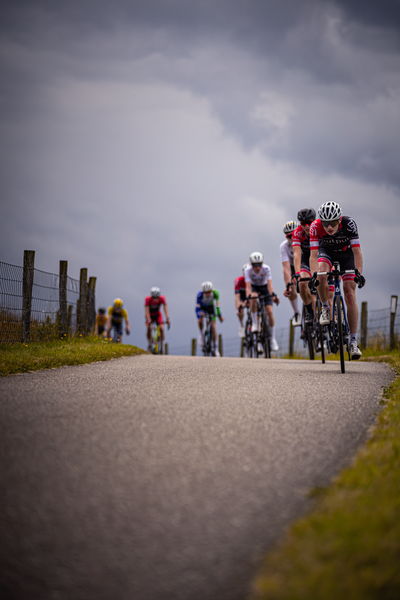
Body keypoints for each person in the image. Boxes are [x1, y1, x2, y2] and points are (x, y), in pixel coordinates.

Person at [309, 201, 365, 359]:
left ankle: (353, 342)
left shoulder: (349, 224)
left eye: (332, 223)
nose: (329, 228)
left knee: (349, 293)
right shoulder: (315, 226)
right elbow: (313, 255)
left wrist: (358, 273)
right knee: (321, 275)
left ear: (339, 220)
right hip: (326, 252)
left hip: (347, 255)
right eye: (325, 224)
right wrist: (314, 274)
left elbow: (357, 253)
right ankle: (326, 308)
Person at [244, 252, 280, 352]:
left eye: (259, 264)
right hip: (254, 287)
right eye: (255, 265)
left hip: (264, 288)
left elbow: (269, 284)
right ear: (251, 265)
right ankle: (255, 323)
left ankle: (272, 338)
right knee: (253, 297)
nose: (257, 268)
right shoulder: (247, 270)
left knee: (269, 311)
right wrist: (248, 298)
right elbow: (248, 287)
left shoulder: (266, 269)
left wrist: (272, 295)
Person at [292, 207, 317, 325]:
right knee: (302, 283)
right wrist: (297, 274)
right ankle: (308, 311)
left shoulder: (321, 229)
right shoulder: (297, 233)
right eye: (303, 223)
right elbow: (296, 255)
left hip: (320, 258)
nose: (307, 226)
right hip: (306, 260)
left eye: (310, 223)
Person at [281, 221, 301, 326]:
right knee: (290, 287)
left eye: (295, 234)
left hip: (305, 264)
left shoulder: (305, 241)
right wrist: (288, 284)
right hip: (293, 267)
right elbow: (286, 267)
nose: (293, 238)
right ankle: (296, 312)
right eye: (290, 236)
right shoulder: (284, 247)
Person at [196, 281, 224, 356]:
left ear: (211, 290)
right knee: (201, 319)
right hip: (203, 308)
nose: (207, 294)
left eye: (209, 292)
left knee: (213, 326)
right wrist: (199, 317)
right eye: (206, 292)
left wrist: (220, 316)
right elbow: (197, 308)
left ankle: (215, 348)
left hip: (211, 308)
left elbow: (217, 306)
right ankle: (202, 335)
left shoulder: (215, 293)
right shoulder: (200, 295)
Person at [145, 287, 171, 354]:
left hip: (157, 315)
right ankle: (149, 344)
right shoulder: (148, 299)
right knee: (150, 328)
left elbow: (165, 309)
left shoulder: (162, 298)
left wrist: (167, 318)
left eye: (157, 297)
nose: (155, 299)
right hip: (150, 315)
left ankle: (162, 345)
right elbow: (147, 311)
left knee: (162, 328)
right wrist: (148, 320)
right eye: (154, 297)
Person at [234, 264, 249, 337]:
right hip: (242, 296)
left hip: (250, 295)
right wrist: (238, 307)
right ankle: (241, 324)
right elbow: (237, 296)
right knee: (240, 308)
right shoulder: (238, 281)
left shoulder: (253, 279)